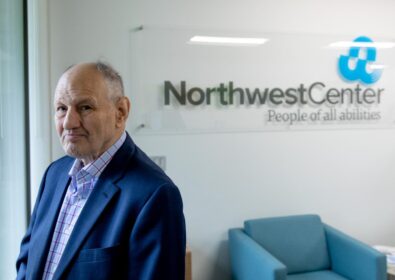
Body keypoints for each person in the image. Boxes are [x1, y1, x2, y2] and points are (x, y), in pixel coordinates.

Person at [16, 62, 186, 280]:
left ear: (120, 112)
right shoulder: (54, 174)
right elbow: (27, 260)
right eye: (61, 108)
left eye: (85, 107)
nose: (69, 122)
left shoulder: (155, 195)